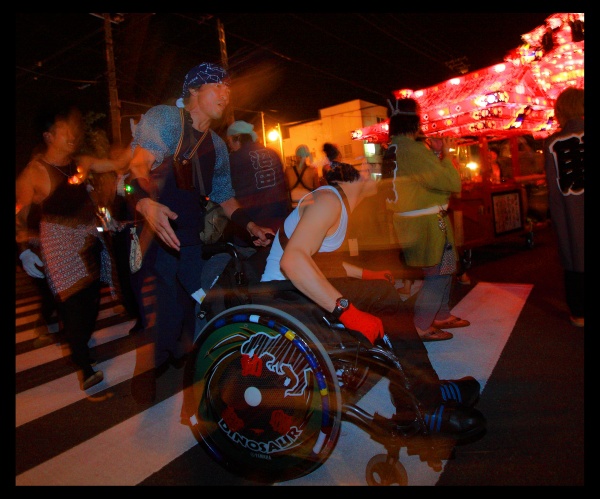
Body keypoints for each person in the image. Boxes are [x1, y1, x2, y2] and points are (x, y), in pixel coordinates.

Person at [260, 160, 485, 440]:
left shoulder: (338, 204)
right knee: (382, 298)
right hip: (284, 294)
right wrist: (348, 312)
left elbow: (327, 265)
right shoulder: (328, 202)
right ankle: (421, 406)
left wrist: (369, 274)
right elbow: (293, 261)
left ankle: (424, 386)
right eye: (367, 168)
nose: (373, 171)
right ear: (358, 177)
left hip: (296, 288)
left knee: (380, 292)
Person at [126, 62, 274, 402]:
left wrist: (249, 224)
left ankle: (182, 361)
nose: (225, 93)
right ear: (193, 90)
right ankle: (154, 370)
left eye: (228, 88)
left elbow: (223, 195)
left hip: (191, 238)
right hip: (156, 235)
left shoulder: (218, 146)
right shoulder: (165, 120)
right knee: (163, 306)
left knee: (192, 302)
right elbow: (135, 169)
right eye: (217, 86)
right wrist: (145, 204)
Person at [15, 104, 124, 390]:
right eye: (64, 131)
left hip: (88, 239)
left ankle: (78, 341)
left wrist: (140, 153)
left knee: (91, 302)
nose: (72, 135)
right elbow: (19, 213)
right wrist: (23, 250)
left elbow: (111, 164)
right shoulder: (35, 172)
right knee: (73, 305)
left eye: (72, 130)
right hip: (59, 243)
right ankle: (84, 366)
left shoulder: (80, 162)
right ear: (49, 136)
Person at [384, 97, 470, 342]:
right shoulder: (411, 149)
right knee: (438, 273)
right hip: (426, 223)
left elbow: (421, 182)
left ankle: (441, 314)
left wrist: (433, 155)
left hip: (413, 220)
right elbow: (450, 183)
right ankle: (421, 325)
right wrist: (445, 155)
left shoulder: (395, 147)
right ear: (414, 121)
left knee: (444, 268)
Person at [542, 87, 584, 327]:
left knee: (574, 254)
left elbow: (553, 187)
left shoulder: (553, 143)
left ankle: (579, 313)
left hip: (571, 213)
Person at [284, 144, 320, 208]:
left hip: (294, 204)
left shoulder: (288, 171)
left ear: (296, 156)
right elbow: (317, 188)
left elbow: (285, 188)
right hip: (309, 203)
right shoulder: (313, 171)